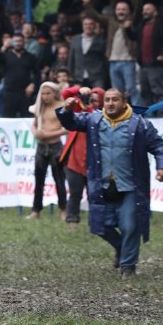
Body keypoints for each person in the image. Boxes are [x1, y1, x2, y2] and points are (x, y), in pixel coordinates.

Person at [57, 88, 163, 277]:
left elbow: (159, 146)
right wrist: (67, 110)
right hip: (101, 184)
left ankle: (128, 266)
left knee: (129, 225)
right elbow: (71, 123)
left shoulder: (140, 124)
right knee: (101, 226)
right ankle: (120, 247)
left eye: (114, 100)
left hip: (130, 185)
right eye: (107, 100)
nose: (110, 103)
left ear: (124, 102)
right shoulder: (93, 120)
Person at [60, 85, 104, 230]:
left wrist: (89, 106)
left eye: (96, 100)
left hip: (95, 164)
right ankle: (72, 224)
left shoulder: (104, 117)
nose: (92, 102)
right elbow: (65, 93)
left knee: (95, 196)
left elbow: (94, 116)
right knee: (74, 194)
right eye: (91, 99)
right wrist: (80, 90)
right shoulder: (79, 111)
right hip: (74, 161)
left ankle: (96, 226)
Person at [25, 82, 67, 220]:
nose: (45, 96)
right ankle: (36, 210)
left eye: (48, 93)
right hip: (41, 147)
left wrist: (48, 135)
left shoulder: (62, 107)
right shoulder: (40, 108)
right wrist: (35, 132)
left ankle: (63, 209)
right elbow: (34, 124)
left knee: (59, 179)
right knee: (39, 180)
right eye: (43, 94)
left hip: (55, 147)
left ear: (54, 93)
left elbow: (66, 128)